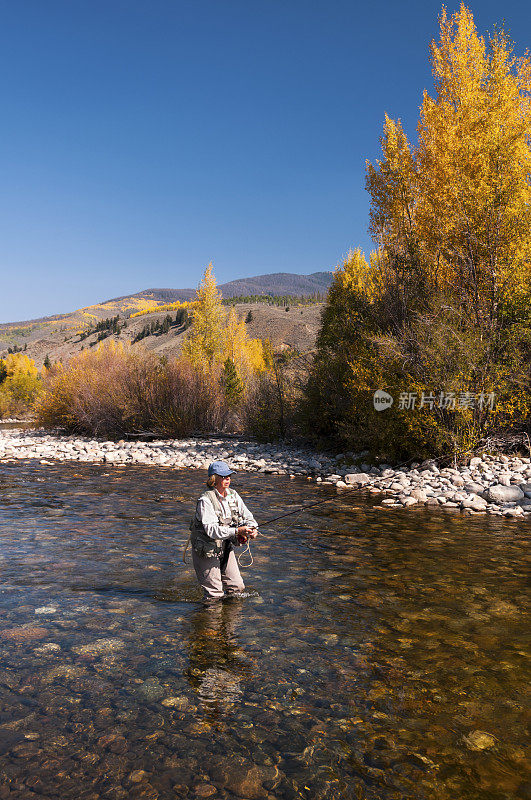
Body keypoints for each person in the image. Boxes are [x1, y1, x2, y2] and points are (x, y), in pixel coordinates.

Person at [189, 460, 258, 603]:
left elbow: (248, 516)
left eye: (229, 476)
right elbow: (211, 530)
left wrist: (253, 529)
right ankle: (210, 623)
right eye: (224, 476)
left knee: (237, 588)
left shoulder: (233, 495)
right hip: (206, 549)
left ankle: (228, 621)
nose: (228, 479)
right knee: (214, 595)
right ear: (213, 479)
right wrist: (237, 531)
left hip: (224, 546)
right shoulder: (205, 500)